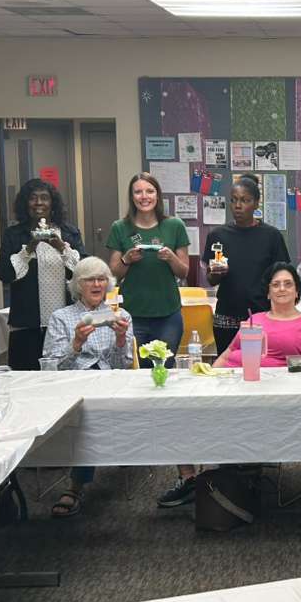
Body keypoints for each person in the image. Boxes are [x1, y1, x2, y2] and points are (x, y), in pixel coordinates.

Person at [105, 172, 192, 508]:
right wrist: (127, 259)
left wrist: (172, 259)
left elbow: (185, 272)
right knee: (135, 380)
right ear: (132, 196)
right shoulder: (120, 228)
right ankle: (137, 445)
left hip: (168, 313)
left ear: (158, 194)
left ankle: (177, 456)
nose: (144, 196)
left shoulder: (174, 226)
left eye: (150, 191)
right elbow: (114, 272)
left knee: (165, 379)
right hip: (133, 315)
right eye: (138, 192)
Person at [42, 257, 133, 517]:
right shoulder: (61, 317)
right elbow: (51, 366)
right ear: (77, 286)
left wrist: (120, 339)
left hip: (110, 382)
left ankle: (76, 485)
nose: (97, 284)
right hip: (74, 384)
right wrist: (76, 344)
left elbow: (123, 365)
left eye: (102, 279)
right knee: (88, 412)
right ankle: (77, 484)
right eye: (89, 279)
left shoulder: (120, 315)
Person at [0, 179, 85, 370]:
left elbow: (84, 272)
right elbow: (5, 274)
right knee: (25, 376)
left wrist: (61, 247)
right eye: (32, 198)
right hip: (26, 324)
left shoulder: (69, 232)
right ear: (25, 203)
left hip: (64, 323)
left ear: (53, 203)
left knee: (64, 376)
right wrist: (29, 247)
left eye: (44, 198)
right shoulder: (14, 234)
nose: (39, 203)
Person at [203, 174, 291, 354]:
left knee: (262, 364)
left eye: (245, 200)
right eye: (234, 200)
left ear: (256, 204)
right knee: (228, 366)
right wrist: (216, 273)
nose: (238, 206)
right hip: (226, 318)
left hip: (261, 316)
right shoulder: (217, 236)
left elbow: (283, 276)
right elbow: (211, 280)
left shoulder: (271, 236)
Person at [214, 263, 301, 369]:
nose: (282, 288)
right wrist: (209, 379)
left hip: (270, 385)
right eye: (275, 285)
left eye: (288, 284)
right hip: (230, 379)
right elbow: (226, 355)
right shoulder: (254, 319)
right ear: (268, 293)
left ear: (297, 292)